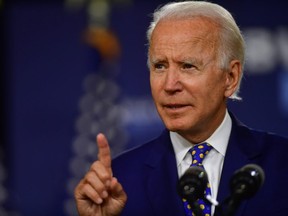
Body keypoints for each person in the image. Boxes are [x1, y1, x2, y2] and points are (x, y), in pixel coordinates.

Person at [74, 1, 288, 216]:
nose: (169, 85)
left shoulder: (282, 163)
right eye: (160, 66)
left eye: (187, 66)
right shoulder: (119, 180)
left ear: (230, 77)